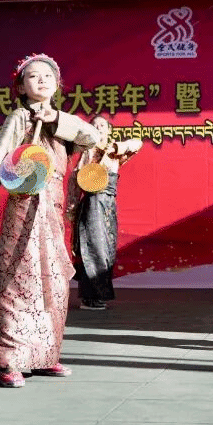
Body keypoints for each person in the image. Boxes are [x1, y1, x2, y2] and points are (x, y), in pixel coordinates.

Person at [0, 53, 102, 388]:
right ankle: (9, 359)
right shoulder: (18, 119)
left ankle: (43, 356)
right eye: (33, 76)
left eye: (48, 76)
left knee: (51, 281)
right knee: (16, 278)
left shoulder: (63, 122)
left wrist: (55, 118)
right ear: (21, 87)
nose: (41, 80)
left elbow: (92, 137)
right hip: (23, 208)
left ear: (57, 85)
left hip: (53, 211)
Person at [67, 115, 144, 310]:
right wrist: (72, 207)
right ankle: (89, 297)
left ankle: (98, 295)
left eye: (102, 125)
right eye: (94, 125)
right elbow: (75, 179)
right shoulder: (88, 150)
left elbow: (138, 143)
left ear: (109, 129)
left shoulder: (115, 150)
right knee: (94, 249)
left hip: (108, 205)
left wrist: (116, 148)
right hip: (93, 203)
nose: (98, 127)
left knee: (107, 250)